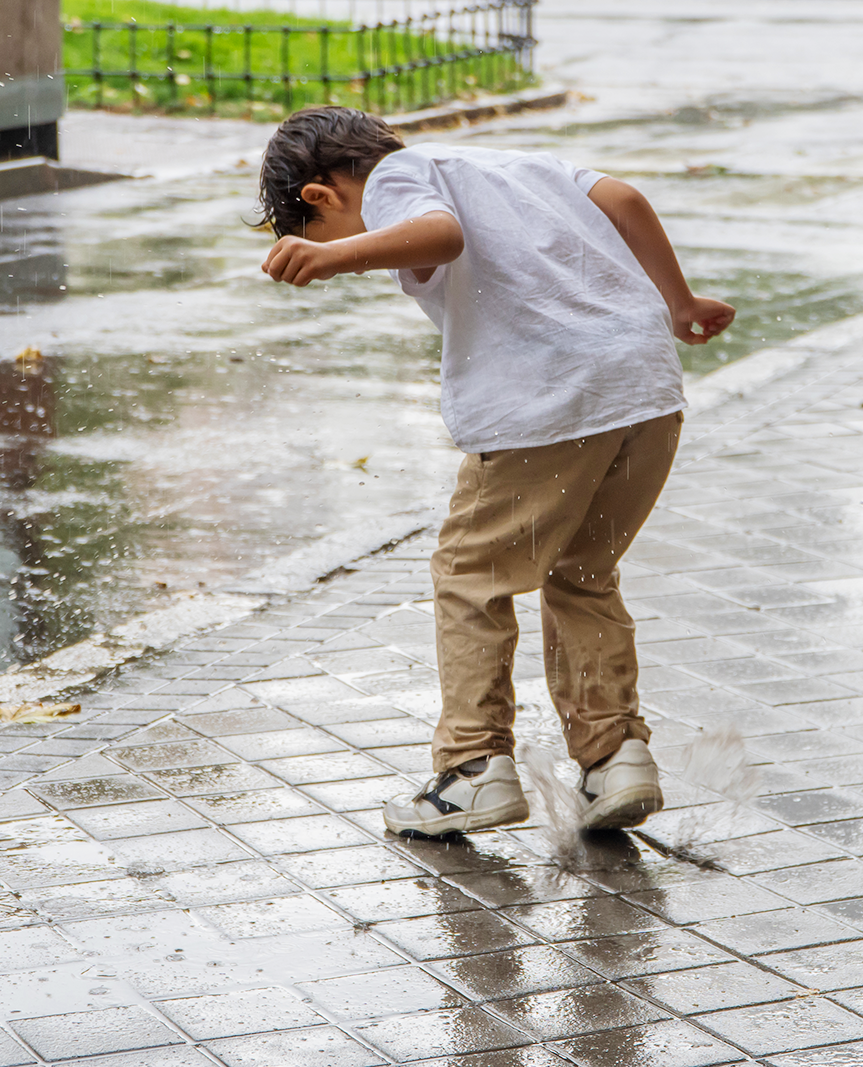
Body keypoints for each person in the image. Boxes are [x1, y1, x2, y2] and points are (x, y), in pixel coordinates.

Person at [255, 106, 735, 837]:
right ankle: (616, 757)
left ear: (321, 195)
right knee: (584, 571)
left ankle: (472, 769)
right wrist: (680, 300)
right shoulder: (513, 164)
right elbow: (624, 199)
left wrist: (337, 255)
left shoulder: (393, 179)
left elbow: (440, 236)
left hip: (545, 406)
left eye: (322, 229)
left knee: (469, 573)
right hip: (644, 394)